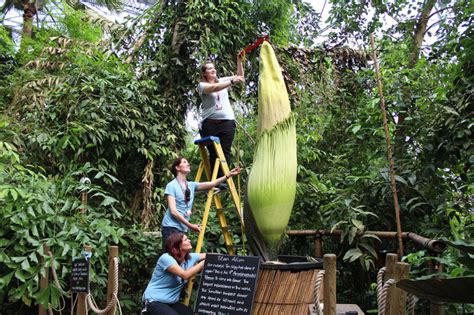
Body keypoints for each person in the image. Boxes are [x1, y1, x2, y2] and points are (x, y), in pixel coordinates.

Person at [161, 156, 241, 248]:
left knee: (180, 257)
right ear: (177, 167)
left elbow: (212, 183)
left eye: (187, 162)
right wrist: (190, 226)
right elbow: (173, 211)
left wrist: (228, 175)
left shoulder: (191, 185)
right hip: (170, 227)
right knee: (170, 257)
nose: (188, 164)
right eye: (184, 162)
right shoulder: (171, 185)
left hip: (182, 228)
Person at [197, 54, 245, 184]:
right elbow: (213, 88)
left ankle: (223, 182)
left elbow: (240, 77)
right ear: (204, 73)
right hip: (209, 124)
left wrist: (239, 60)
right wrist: (230, 82)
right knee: (213, 153)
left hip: (227, 122)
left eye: (214, 68)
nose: (213, 70)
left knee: (225, 152)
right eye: (209, 69)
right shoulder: (201, 85)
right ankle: (215, 182)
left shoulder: (222, 80)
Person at [142, 232, 206, 315]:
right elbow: (185, 275)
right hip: (154, 301)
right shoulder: (166, 258)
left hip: (172, 303)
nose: (189, 241)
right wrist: (202, 264)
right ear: (177, 246)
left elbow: (211, 256)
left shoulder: (191, 258)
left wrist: (224, 260)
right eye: (186, 240)